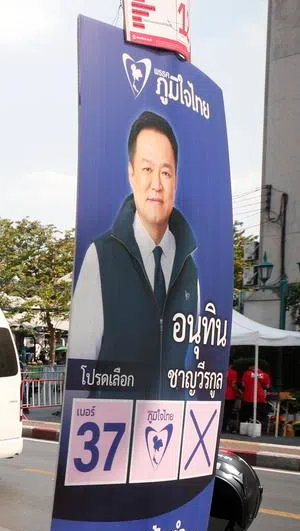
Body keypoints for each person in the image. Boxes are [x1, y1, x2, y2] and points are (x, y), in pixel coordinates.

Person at [67, 110, 199, 399]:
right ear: (131, 174)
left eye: (166, 172)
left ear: (176, 180)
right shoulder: (101, 258)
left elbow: (187, 363)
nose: (157, 184)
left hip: (168, 430)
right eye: (147, 169)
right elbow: (81, 365)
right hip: (112, 431)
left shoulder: (189, 269)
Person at [224, 363, 240, 432]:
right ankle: (223, 427)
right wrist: (238, 391)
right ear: (231, 365)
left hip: (220, 394)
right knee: (227, 412)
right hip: (230, 395)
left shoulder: (220, 370)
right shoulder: (233, 372)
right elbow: (233, 384)